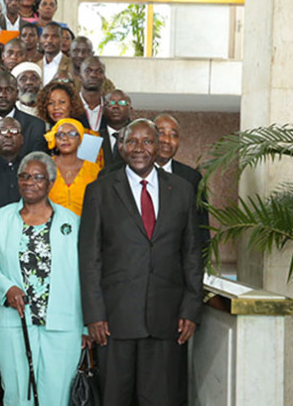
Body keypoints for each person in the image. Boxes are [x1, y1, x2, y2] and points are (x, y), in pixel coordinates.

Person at [79, 119, 204, 405]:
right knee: (115, 398)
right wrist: (94, 315)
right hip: (114, 322)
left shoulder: (183, 190)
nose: (139, 149)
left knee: (160, 399)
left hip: (167, 319)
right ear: (121, 146)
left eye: (147, 141)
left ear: (157, 146)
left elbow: (192, 254)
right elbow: (90, 258)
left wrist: (191, 308)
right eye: (131, 141)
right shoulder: (99, 191)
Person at [0, 151, 85, 406]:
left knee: (57, 393)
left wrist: (85, 325)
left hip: (63, 325)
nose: (29, 182)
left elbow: (85, 275)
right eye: (24, 176)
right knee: (16, 392)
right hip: (14, 322)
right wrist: (7, 288)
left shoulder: (72, 222)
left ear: (51, 182)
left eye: (38, 177)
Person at [153, 114, 211, 253]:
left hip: (177, 264)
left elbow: (201, 227)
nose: (167, 140)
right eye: (161, 133)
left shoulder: (192, 178)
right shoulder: (133, 173)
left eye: (173, 135)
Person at [46, 118, 100, 216]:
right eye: (60, 135)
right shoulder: (45, 166)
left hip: (85, 226)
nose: (65, 138)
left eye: (71, 134)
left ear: (80, 139)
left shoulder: (93, 169)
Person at [101, 89, 132, 168]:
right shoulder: (94, 137)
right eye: (111, 103)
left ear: (131, 110)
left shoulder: (137, 138)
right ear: (103, 110)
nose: (115, 106)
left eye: (122, 103)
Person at [78, 56, 108, 130]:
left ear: (104, 77)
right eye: (88, 71)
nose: (93, 75)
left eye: (99, 71)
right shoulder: (69, 106)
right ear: (80, 76)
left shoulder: (110, 107)